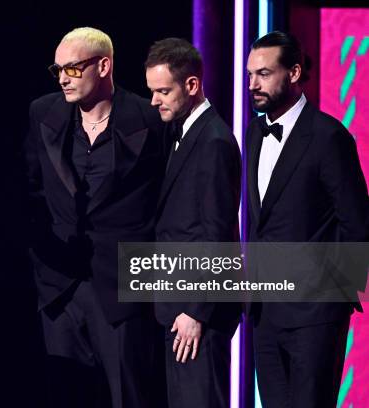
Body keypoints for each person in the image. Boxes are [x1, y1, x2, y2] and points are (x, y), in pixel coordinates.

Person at [24, 27, 165, 408]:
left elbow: (166, 202)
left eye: (73, 68)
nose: (63, 79)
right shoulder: (44, 113)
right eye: (58, 70)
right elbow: (29, 191)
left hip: (122, 286)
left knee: (130, 397)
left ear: (104, 66)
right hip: (60, 286)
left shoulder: (148, 118)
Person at [245, 31, 368, 408]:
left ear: (294, 72)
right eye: (250, 74)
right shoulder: (254, 132)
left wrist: (329, 297)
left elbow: (358, 223)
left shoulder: (328, 136)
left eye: (263, 74)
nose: (253, 84)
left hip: (314, 316)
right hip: (265, 312)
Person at [145, 38, 241, 407]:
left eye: (163, 91)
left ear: (192, 85)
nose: (155, 101)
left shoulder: (213, 141)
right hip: (177, 306)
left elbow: (216, 233)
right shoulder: (184, 134)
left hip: (196, 312)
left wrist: (196, 309)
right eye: (152, 91)